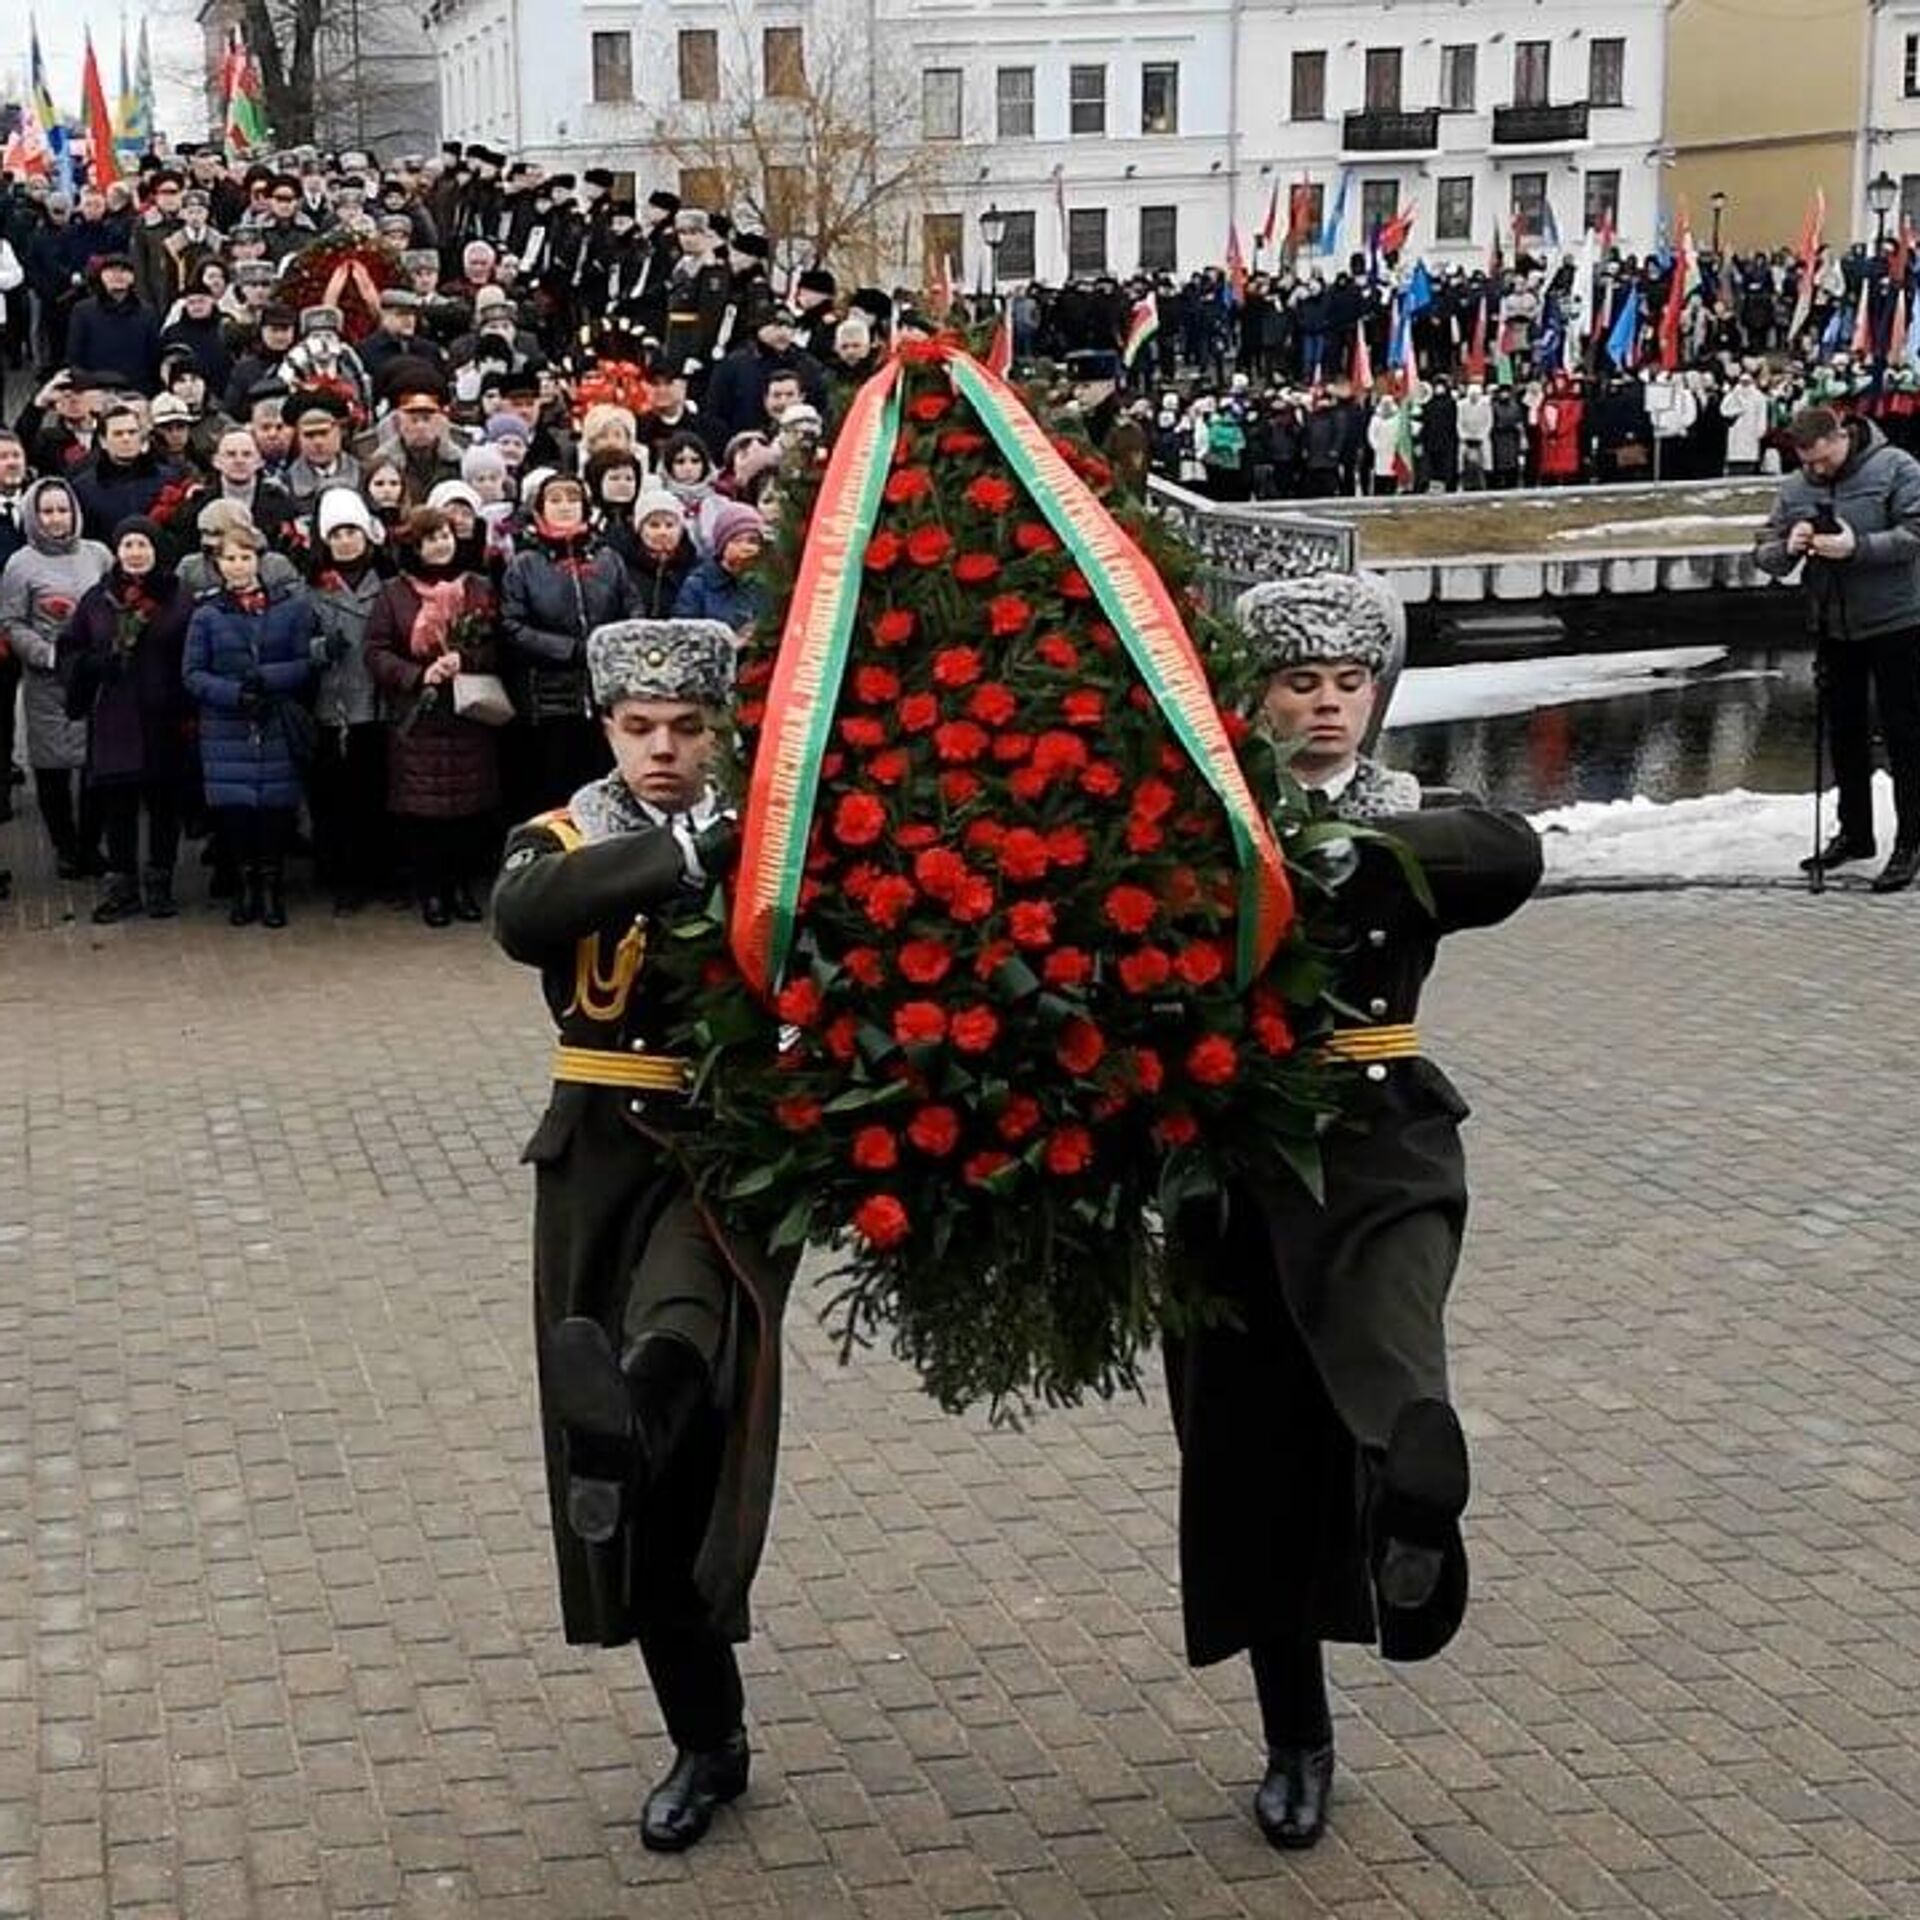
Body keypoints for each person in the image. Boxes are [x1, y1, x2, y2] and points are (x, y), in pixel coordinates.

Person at [1164, 572, 1542, 1853]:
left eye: (1348, 684)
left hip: (1379, 1133)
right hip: (1228, 1161)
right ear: (1253, 692)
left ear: (1377, 694)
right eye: (1298, 682)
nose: (1326, 708)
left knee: (1388, 1351)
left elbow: (1508, 853)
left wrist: (1349, 849)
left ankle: (1411, 1523)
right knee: (1252, 1456)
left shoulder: (1402, 808)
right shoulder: (1206, 812)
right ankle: (1297, 1739)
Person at [490, 618, 791, 1855]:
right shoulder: (565, 834)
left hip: (725, 1153)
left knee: (682, 1336)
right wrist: (680, 853)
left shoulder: (771, 842)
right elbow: (524, 916)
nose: (665, 747)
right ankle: (705, 1738)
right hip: (595, 1166)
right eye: (639, 727)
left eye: (689, 726)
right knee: (656, 1500)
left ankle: (631, 1405)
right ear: (605, 726)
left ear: (721, 726)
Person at [1757, 405, 1920, 892]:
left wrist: (1858, 547)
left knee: (1905, 735)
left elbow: (1915, 534)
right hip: (1832, 622)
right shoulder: (1795, 487)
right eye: (1806, 462)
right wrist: (1788, 546)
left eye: (1822, 460)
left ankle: (1911, 839)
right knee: (1842, 733)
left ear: (1840, 437)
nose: (1815, 469)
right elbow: (1763, 551)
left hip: (1899, 620)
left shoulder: (1897, 468)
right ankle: (1855, 831)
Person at [364, 506, 502, 925]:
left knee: (467, 808)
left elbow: (500, 639)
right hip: (419, 715)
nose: (440, 545)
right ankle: (432, 891)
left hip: (469, 711)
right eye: (430, 539)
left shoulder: (478, 586)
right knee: (424, 813)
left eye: (445, 535)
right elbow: (375, 651)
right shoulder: (393, 593)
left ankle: (461, 886)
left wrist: (469, 657)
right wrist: (419, 673)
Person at [57, 516, 195, 921]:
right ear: (117, 551)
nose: (136, 553)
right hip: (114, 719)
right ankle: (122, 885)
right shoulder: (97, 599)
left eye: (143, 545)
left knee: (163, 806)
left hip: (164, 717)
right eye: (128, 545)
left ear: (156, 551)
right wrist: (93, 665)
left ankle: (160, 883)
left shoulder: (179, 598)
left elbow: (192, 651)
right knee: (118, 807)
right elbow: (69, 648)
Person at [182, 522, 317, 928]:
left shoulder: (289, 607)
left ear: (259, 559)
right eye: (229, 558)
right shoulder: (206, 614)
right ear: (217, 564)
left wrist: (269, 680)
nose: (238, 566)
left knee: (274, 811)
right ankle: (245, 888)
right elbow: (192, 673)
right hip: (227, 727)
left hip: (274, 721)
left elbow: (305, 663)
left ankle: (272, 889)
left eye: (245, 557)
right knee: (237, 813)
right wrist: (233, 694)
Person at [501, 470, 635, 810]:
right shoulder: (524, 563)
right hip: (550, 698)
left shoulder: (609, 559)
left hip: (607, 693)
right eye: (555, 501)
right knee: (555, 791)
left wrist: (609, 648)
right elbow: (512, 625)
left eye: (573, 500)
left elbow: (633, 610)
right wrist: (570, 650)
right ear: (540, 509)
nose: (564, 507)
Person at [0, 477, 113, 878]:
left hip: (93, 678)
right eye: (47, 511)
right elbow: (12, 622)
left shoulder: (98, 555)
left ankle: (90, 845)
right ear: (34, 515)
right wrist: (46, 655)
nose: (55, 519)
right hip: (47, 680)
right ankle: (64, 847)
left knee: (95, 767)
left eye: (62, 510)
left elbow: (114, 606)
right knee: (52, 769)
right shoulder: (20, 564)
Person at [306, 488, 391, 912]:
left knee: (379, 795)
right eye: (336, 533)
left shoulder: (388, 583)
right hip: (333, 709)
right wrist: (321, 649)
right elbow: (295, 646)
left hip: (379, 707)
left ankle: (383, 873)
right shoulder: (311, 588)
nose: (344, 541)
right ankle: (344, 878)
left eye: (351, 531)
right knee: (337, 801)